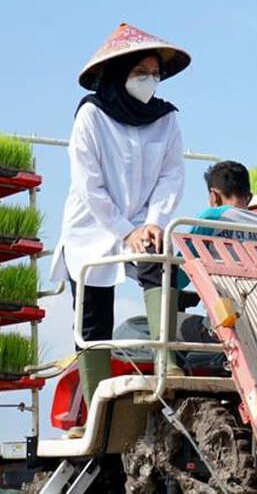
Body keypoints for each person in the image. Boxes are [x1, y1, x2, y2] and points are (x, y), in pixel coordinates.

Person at [49, 23, 191, 407]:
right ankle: (96, 399)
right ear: (119, 73)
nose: (150, 81)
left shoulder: (166, 120)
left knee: (158, 264)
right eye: (141, 73)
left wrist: (153, 223)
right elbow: (88, 183)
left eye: (155, 74)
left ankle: (167, 363)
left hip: (145, 222)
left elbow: (172, 176)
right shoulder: (91, 116)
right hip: (93, 225)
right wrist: (123, 230)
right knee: (93, 314)